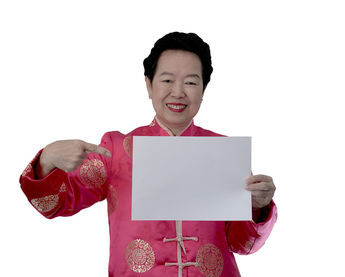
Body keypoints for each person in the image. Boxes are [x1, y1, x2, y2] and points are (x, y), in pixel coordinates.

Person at [19, 32, 277, 277]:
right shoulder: (116, 149)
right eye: (167, 80)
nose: (178, 92)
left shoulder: (225, 153)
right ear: (148, 84)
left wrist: (258, 207)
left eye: (190, 82)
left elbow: (244, 245)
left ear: (204, 89)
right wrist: (47, 159)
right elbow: (56, 204)